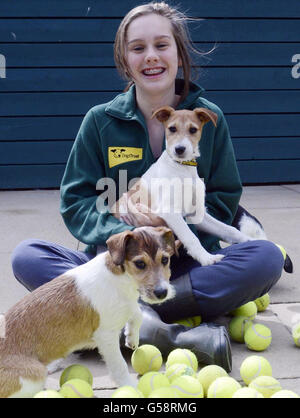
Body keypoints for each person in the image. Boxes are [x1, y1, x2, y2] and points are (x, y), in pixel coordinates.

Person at [11, 2, 284, 372]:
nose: (151, 56)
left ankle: (131, 320)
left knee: (265, 258)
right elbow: (76, 202)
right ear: (125, 60)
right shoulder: (99, 122)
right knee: (28, 256)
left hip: (185, 265)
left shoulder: (209, 117)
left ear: (178, 53)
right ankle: (163, 328)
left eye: (162, 45)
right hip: (117, 271)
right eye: (138, 48)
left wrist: (174, 228)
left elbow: (223, 198)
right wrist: (127, 231)